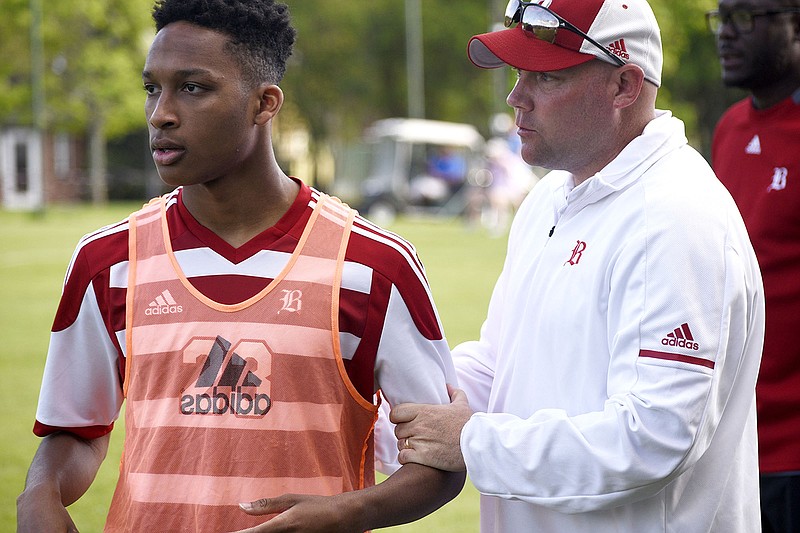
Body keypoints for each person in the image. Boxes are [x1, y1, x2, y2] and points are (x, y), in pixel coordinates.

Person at [15, 1, 464, 531]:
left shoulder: (374, 265)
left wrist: (347, 511)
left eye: (193, 87)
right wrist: (37, 496)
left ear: (263, 104)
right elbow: (75, 430)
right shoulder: (107, 261)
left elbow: (440, 458)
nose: (161, 112)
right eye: (151, 88)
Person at [388, 0, 766, 531]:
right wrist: (385, 408)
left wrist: (472, 441)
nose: (516, 97)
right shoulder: (552, 197)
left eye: (544, 77)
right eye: (519, 73)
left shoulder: (678, 215)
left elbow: (653, 439)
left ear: (625, 87)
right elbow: (500, 365)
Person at [707, 0, 800, 530]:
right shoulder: (729, 130)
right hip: (732, 439)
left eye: (744, 17)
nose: (725, 34)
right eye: (721, 18)